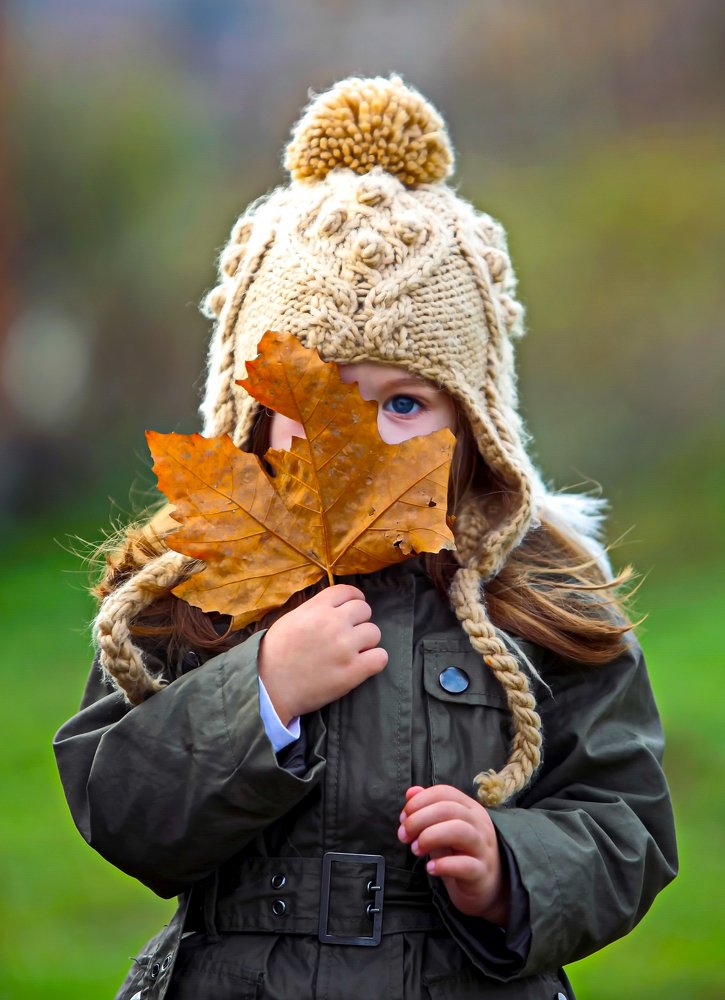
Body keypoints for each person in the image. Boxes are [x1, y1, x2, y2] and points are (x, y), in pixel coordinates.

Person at [53, 75, 677, 1000]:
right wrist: (259, 692)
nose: (367, 439)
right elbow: (120, 807)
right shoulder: (194, 576)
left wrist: (512, 867)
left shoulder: (537, 589)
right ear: (250, 412)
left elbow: (624, 820)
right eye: (316, 398)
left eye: (403, 402)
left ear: (472, 420)